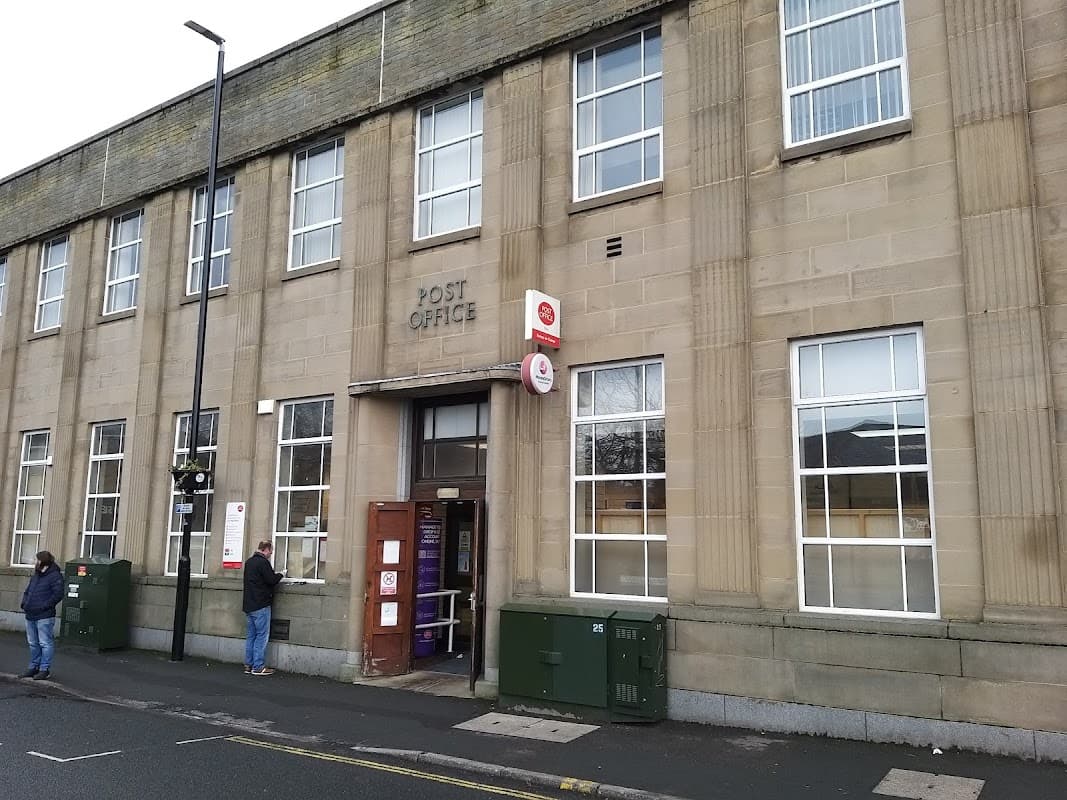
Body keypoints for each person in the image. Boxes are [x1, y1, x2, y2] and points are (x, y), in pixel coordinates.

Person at [19, 551, 64, 681]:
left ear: (43, 561)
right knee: (33, 643)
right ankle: (34, 667)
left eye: (37, 560)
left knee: (45, 643)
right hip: (30, 614)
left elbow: (58, 595)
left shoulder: (55, 576)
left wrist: (44, 606)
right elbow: (28, 591)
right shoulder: (36, 575)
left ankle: (44, 669)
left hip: (44, 615)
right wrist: (24, 603)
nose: (35, 562)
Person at [243, 540, 284, 676]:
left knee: (251, 636)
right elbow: (271, 580)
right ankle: (258, 667)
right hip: (261, 605)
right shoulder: (263, 563)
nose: (271, 554)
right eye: (270, 551)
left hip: (249, 605)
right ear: (266, 549)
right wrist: (281, 574)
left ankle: (248, 665)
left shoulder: (249, 562)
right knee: (261, 636)